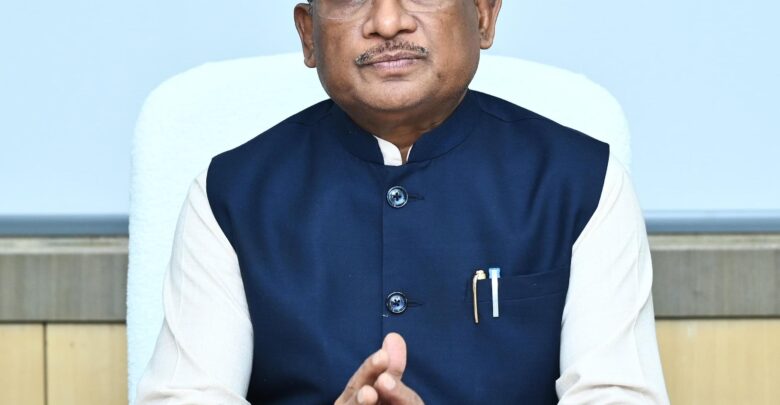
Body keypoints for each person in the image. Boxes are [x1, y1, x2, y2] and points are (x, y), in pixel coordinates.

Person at [137, 0, 670, 403]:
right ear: (308, 35)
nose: (388, 22)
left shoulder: (582, 182)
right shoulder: (230, 193)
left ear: (484, 15)